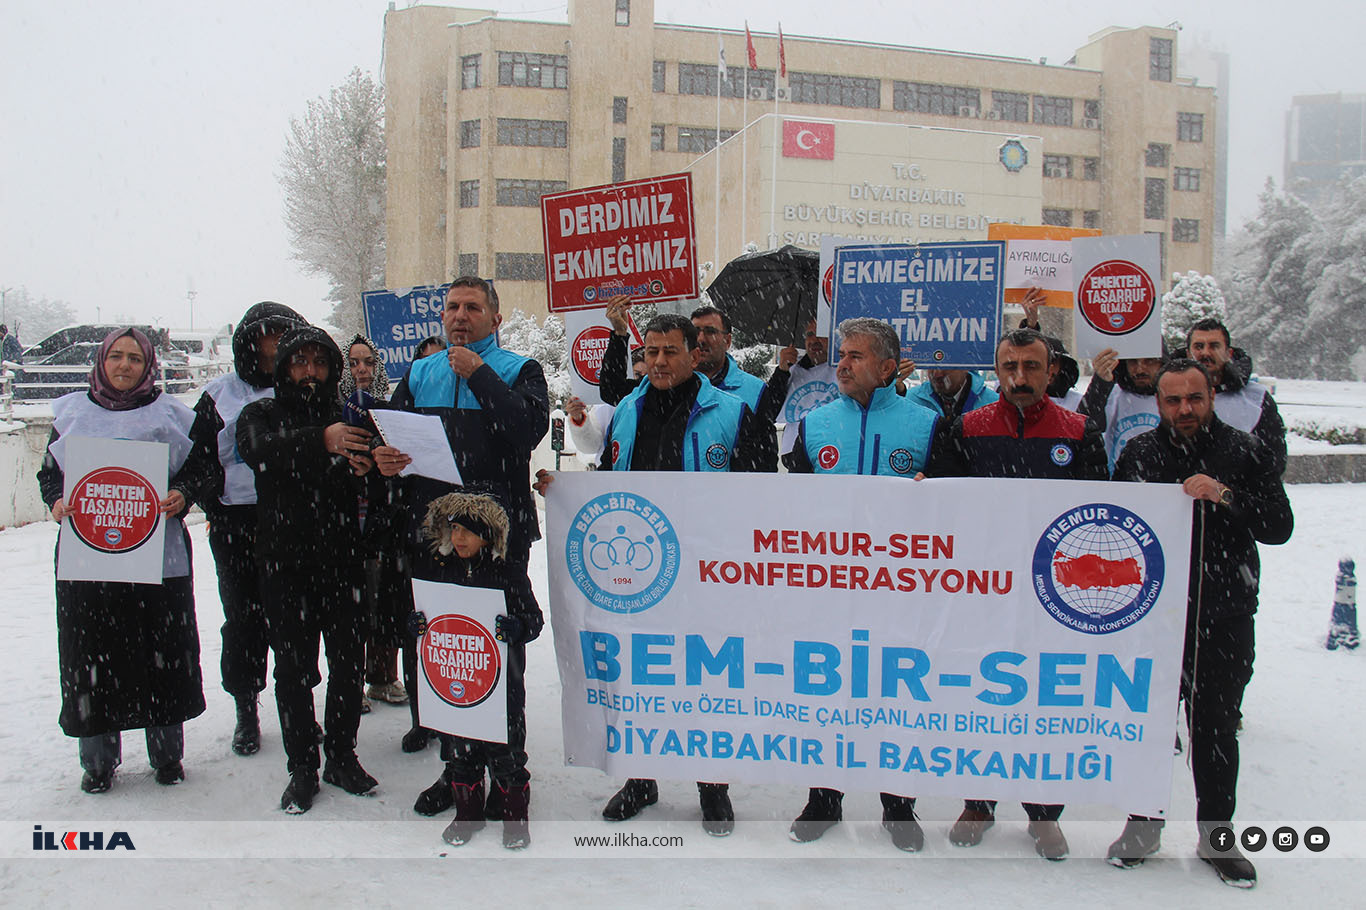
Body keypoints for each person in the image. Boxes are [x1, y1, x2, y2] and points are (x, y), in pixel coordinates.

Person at [533, 313, 776, 835]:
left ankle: (713, 785)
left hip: (707, 576)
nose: (660, 362)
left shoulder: (733, 413)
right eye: (652, 352)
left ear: (694, 354)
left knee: (705, 680)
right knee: (638, 679)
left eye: (671, 351)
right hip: (640, 575)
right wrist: (566, 493)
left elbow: (761, 494)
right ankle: (640, 778)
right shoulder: (625, 412)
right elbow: (607, 482)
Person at [1106, 359, 1293, 888]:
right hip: (1154, 623)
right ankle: (1143, 825)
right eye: (1172, 401)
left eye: (1194, 398)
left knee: (1215, 730)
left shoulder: (1245, 451)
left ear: (1210, 395)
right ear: (1158, 403)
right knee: (1148, 730)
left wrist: (1226, 496)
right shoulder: (1141, 453)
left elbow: (1280, 525)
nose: (1184, 409)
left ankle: (1217, 836)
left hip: (1224, 618)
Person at [373, 275, 548, 818]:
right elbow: (394, 442)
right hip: (435, 541)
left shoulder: (520, 370)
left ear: (495, 318)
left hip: (497, 539)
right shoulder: (419, 374)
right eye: (452, 307)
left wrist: (480, 376)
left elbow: (527, 431)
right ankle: (457, 769)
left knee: (498, 655)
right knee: (445, 655)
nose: (460, 316)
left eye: (473, 307)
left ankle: (508, 772)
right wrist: (386, 460)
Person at [929, 327, 1107, 860]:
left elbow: (1101, 508)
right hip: (982, 592)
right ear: (996, 369)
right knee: (982, 697)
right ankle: (978, 802)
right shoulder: (966, 427)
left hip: (1052, 596)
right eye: (1010, 366)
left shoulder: (1079, 430)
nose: (1020, 377)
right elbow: (941, 507)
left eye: (1031, 366)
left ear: (1051, 371)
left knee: (1043, 700)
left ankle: (1044, 811)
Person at [785, 318, 938, 851]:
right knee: (828, 693)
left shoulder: (926, 424)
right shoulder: (817, 422)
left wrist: (931, 496)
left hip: (901, 591)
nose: (841, 364)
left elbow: (950, 511)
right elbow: (795, 506)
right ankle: (823, 798)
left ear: (887, 367)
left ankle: (898, 805)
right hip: (831, 590)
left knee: (896, 696)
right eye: (841, 355)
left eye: (853, 356)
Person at [38, 328, 213, 792]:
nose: (124, 366)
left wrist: (182, 493)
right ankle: (97, 761)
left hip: (157, 562)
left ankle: (167, 756)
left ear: (148, 365)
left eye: (135, 358)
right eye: (115, 356)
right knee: (91, 660)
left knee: (163, 658)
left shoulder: (172, 416)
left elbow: (201, 467)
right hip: (89, 563)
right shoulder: (72, 415)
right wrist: (57, 502)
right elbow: (50, 475)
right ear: (101, 361)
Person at [237, 326, 383, 813]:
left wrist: (367, 470)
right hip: (286, 564)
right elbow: (258, 450)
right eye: (300, 362)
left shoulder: (349, 416)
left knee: (347, 665)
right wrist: (322, 440)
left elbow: (371, 477)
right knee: (294, 670)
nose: (311, 372)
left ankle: (341, 754)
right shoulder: (261, 413)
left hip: (342, 561)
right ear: (283, 368)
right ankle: (301, 765)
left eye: (320, 364)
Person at [190, 301, 307, 757]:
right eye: (269, 333)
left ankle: (295, 708)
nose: (276, 342)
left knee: (293, 619)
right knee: (243, 617)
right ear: (250, 340)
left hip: (294, 518)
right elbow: (198, 459)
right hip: (238, 520)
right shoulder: (220, 395)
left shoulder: (303, 389)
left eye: (286, 332)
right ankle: (246, 707)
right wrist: (215, 506)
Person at [412, 487, 544, 849]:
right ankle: (467, 815)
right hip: (457, 686)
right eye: (453, 530)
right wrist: (417, 625)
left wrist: (518, 628)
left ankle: (514, 817)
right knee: (460, 755)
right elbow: (428, 616)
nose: (457, 539)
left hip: (503, 687)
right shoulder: (441, 572)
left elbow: (534, 619)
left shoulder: (508, 573)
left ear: (486, 536)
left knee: (507, 755)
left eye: (466, 532)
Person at [340, 333, 408, 714]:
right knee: (350, 609)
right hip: (345, 522)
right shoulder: (332, 412)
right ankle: (349, 682)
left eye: (367, 362)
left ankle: (382, 677)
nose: (361, 369)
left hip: (382, 521)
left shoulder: (388, 411)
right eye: (352, 362)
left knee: (383, 601)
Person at [1186, 318, 1287, 475]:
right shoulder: (1166, 397)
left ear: (1229, 353)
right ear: (1188, 353)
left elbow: (1273, 463)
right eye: (1198, 346)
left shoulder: (1256, 399)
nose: (1205, 352)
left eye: (1214, 346)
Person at [1077, 347, 1165, 471]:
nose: (1140, 369)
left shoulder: (1175, 398)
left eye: (1149, 361)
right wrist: (1100, 384)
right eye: (1133, 361)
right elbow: (1082, 427)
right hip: (1118, 484)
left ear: (1162, 363)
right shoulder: (1113, 394)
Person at [773, 320, 837, 461]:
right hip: (794, 452)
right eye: (809, 334)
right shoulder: (791, 370)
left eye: (821, 333)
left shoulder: (845, 370)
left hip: (833, 449)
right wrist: (781, 372)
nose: (814, 340)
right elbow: (769, 410)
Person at [905, 368, 998, 421]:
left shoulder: (993, 404)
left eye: (946, 366)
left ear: (966, 367)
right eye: (932, 365)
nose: (937, 374)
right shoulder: (910, 400)